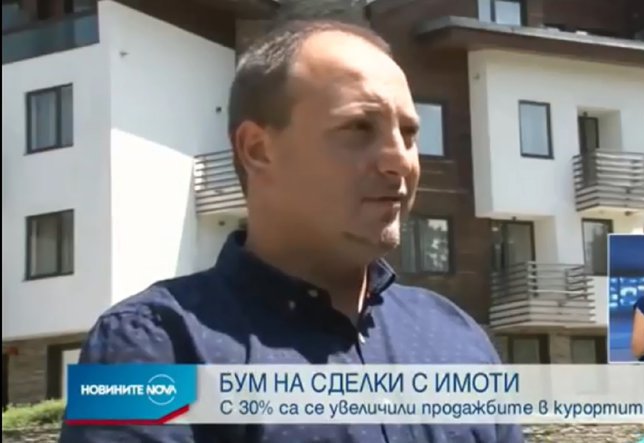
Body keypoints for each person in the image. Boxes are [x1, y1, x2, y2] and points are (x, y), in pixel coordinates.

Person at [58, 19, 524, 443]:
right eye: (359, 128)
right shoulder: (153, 345)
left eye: (408, 133)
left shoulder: (456, 337)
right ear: (258, 149)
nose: (400, 159)